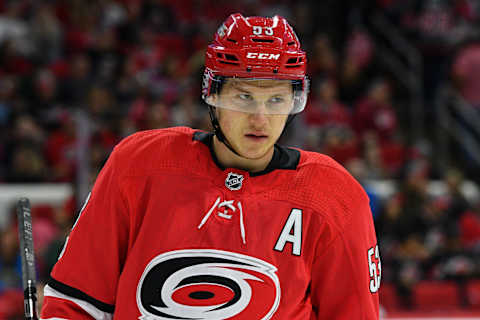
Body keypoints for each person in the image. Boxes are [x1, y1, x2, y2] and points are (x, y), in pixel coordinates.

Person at [40, 13, 380, 319]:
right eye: (243, 97)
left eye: (275, 99)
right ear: (212, 96)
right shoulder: (139, 164)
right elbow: (75, 304)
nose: (260, 118)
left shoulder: (335, 196)